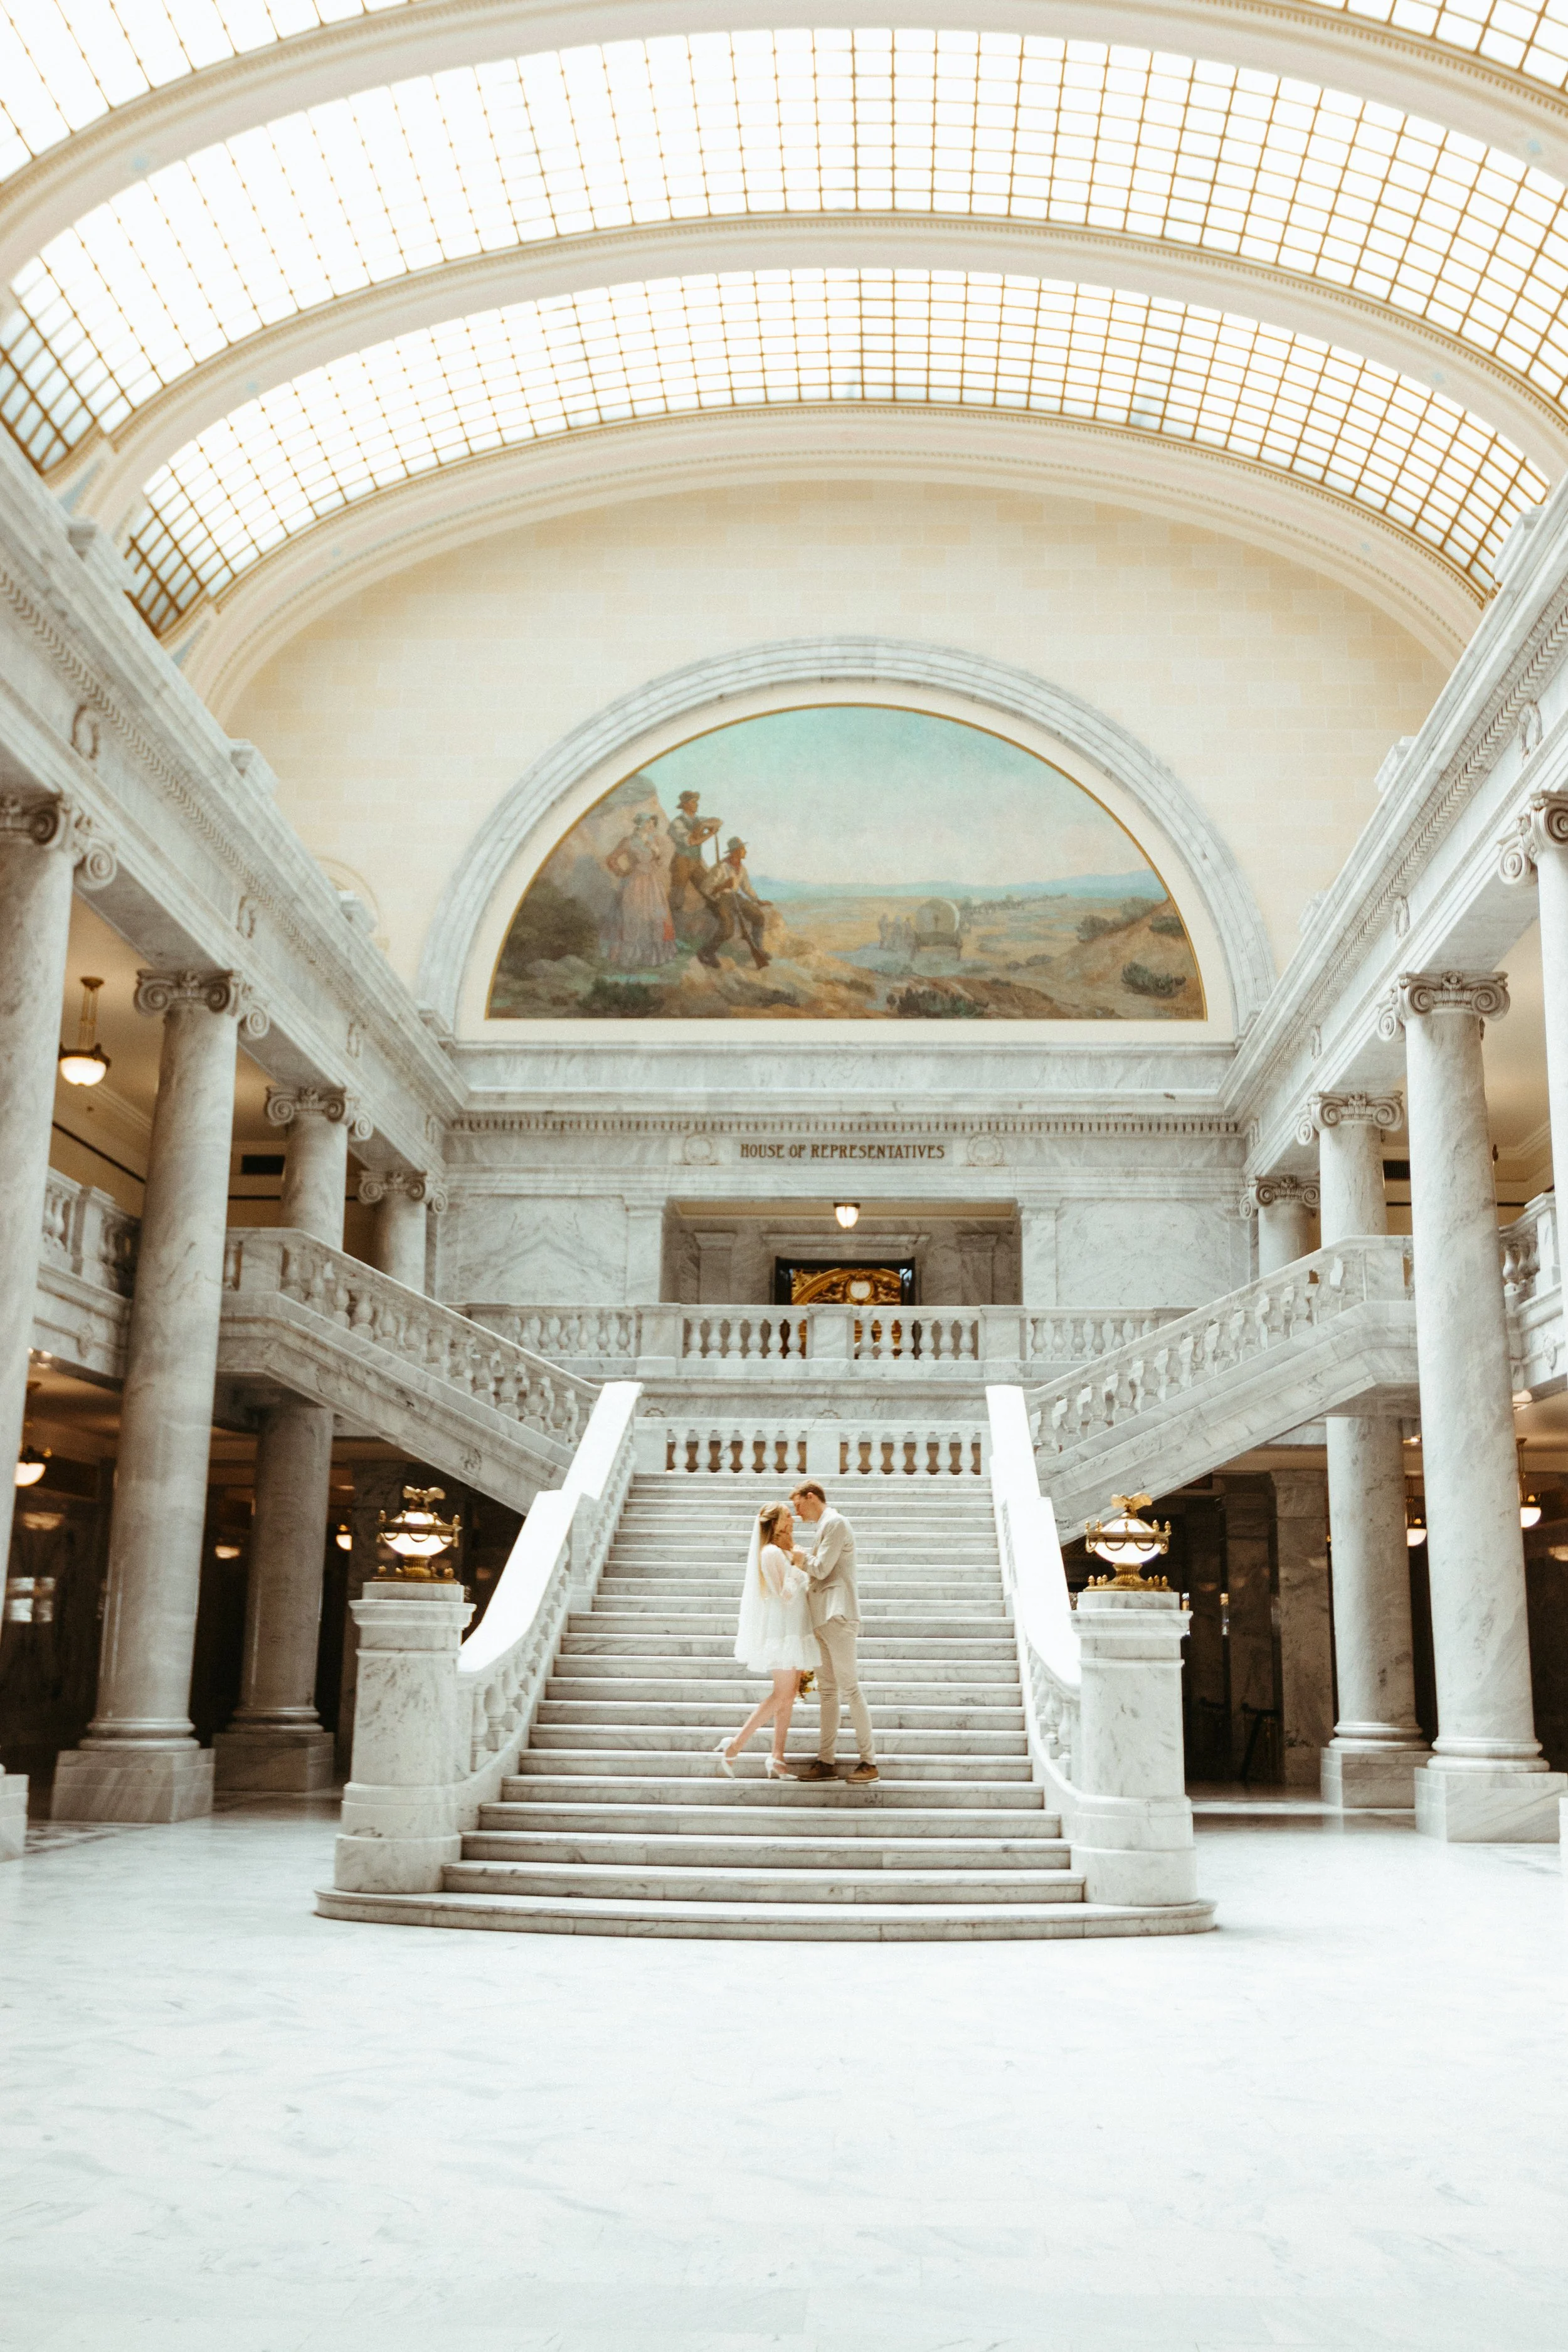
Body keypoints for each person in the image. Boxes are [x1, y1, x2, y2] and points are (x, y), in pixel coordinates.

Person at [714, 1500, 817, 1777]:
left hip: (795, 1627)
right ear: (776, 1522)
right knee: (782, 1694)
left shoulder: (782, 1552)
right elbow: (783, 1595)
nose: (793, 1519)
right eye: (787, 1515)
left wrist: (798, 1562)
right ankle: (734, 1746)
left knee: (790, 1694)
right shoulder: (770, 1552)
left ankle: (778, 1757)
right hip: (782, 1631)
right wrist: (796, 1566)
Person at [788, 1481, 879, 1783]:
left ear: (811, 1497)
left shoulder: (836, 1523)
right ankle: (826, 1761)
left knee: (850, 1688)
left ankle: (869, 1762)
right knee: (827, 1691)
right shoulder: (825, 1526)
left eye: (798, 1504)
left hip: (838, 1614)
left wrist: (798, 1557)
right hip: (821, 1617)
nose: (797, 1512)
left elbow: (822, 1568)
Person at [601, 812, 676, 969]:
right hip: (635, 884)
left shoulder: (652, 840)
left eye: (652, 823)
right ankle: (629, 958)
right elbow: (611, 859)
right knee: (633, 916)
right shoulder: (629, 841)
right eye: (648, 823)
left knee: (655, 917)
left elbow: (658, 861)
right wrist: (621, 872)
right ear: (640, 823)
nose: (652, 826)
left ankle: (650, 957)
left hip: (653, 884)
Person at [667, 790, 724, 965]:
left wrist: (707, 824)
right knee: (676, 900)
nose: (696, 805)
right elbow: (691, 841)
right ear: (684, 805)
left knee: (710, 893)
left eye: (696, 802)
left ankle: (708, 944)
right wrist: (707, 833)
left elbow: (719, 822)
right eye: (693, 802)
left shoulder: (697, 820)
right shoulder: (676, 823)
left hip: (696, 863)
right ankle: (670, 941)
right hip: (682, 862)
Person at [707, 836, 771, 970]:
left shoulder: (741, 869)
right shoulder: (721, 867)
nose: (746, 852)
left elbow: (747, 888)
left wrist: (757, 901)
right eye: (743, 849)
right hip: (721, 899)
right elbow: (706, 889)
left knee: (759, 916)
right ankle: (707, 952)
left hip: (735, 897)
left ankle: (758, 949)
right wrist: (722, 886)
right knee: (728, 929)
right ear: (736, 851)